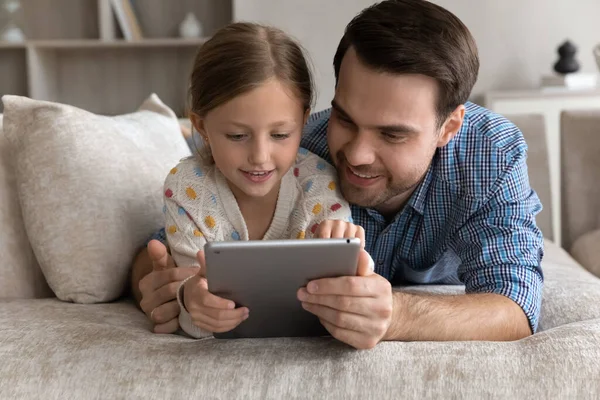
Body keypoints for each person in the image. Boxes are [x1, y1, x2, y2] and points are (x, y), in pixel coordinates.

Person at [132, 0, 544, 349]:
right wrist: (156, 288)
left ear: (448, 128)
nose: (356, 154)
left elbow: (515, 308)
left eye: (392, 133)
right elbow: (173, 240)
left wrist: (397, 315)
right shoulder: (296, 147)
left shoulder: (489, 153)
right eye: (345, 118)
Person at [160, 22, 364, 338]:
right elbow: (193, 318)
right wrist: (192, 300)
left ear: (304, 121)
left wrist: (353, 256)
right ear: (201, 126)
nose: (260, 156)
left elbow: (350, 305)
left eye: (281, 134)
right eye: (237, 135)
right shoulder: (186, 188)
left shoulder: (320, 183)